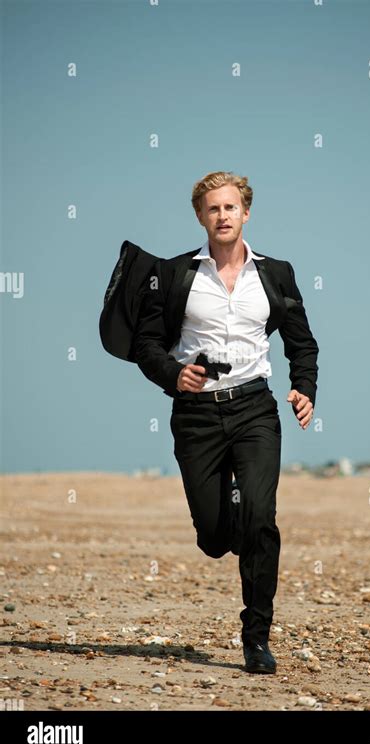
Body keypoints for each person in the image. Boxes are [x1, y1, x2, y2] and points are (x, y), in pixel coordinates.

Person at [133, 171, 319, 674]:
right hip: (196, 417)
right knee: (215, 537)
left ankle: (256, 638)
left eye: (230, 207)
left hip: (256, 409)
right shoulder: (174, 275)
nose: (222, 216)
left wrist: (305, 387)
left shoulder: (276, 274)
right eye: (212, 209)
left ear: (246, 213)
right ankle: (235, 522)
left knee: (261, 520)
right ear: (200, 216)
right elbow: (146, 345)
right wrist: (175, 375)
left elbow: (301, 343)